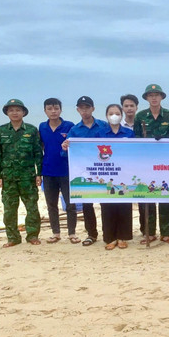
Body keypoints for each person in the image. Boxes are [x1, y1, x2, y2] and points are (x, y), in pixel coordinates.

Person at [133, 84, 169, 244]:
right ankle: (149, 233)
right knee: (147, 197)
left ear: (161, 97)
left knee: (165, 197)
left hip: (166, 163)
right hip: (146, 163)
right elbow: (136, 139)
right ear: (146, 98)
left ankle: (166, 233)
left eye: (157, 95)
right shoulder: (140, 117)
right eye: (150, 95)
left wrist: (164, 141)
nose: (154, 98)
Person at [0, 98, 43, 247]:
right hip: (8, 178)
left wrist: (38, 173)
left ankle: (32, 235)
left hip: (27, 177)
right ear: (7, 113)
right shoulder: (1, 131)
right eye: (11, 110)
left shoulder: (31, 130)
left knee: (32, 208)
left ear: (23, 112)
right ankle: (13, 237)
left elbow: (38, 153)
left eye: (18, 110)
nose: (14, 113)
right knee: (9, 210)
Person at [60, 96, 102, 245]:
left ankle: (110, 233)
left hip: (105, 171)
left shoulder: (104, 126)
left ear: (93, 109)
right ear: (78, 110)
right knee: (87, 205)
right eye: (81, 108)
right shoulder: (74, 130)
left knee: (106, 203)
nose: (84, 110)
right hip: (85, 172)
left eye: (87, 107)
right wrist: (65, 147)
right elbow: (66, 153)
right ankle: (92, 234)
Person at [37, 98, 75, 245]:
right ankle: (56, 233)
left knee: (70, 204)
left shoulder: (69, 126)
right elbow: (39, 148)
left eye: (56, 108)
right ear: (45, 110)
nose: (53, 111)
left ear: (60, 109)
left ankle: (72, 233)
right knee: (51, 204)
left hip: (66, 171)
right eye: (49, 109)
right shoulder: (42, 127)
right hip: (48, 171)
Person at [97, 104, 135, 250]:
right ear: (106, 116)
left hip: (124, 173)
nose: (114, 116)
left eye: (117, 113)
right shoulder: (100, 133)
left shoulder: (128, 133)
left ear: (121, 115)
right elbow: (88, 150)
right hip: (106, 173)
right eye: (111, 113)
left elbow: (134, 151)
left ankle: (122, 237)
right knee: (107, 205)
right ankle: (110, 237)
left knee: (124, 204)